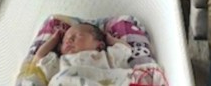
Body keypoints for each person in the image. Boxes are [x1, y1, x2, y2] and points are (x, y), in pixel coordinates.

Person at [25, 23, 167, 86]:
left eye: (77, 36)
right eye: (65, 39)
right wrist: (53, 39)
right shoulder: (60, 61)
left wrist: (111, 39)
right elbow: (39, 58)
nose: (68, 40)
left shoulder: (105, 57)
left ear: (99, 45)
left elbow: (124, 49)